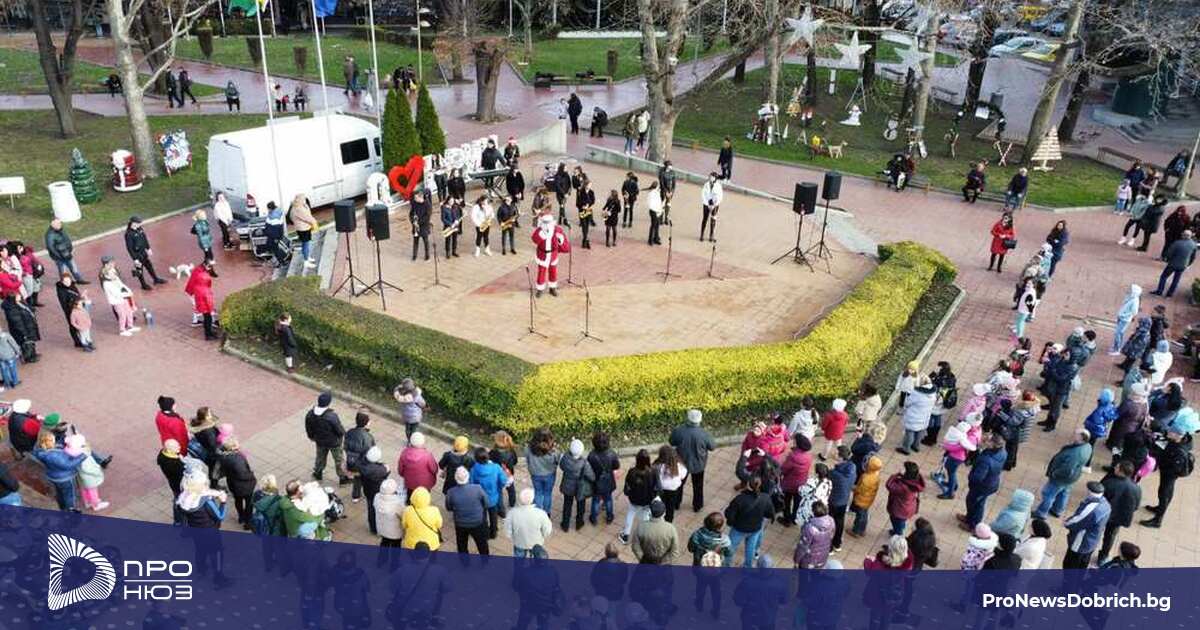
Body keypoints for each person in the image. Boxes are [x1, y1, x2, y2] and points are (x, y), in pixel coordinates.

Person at [1033, 428, 1092, 520]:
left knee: (1048, 494)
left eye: (1076, 434)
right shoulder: (1088, 446)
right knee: (1064, 493)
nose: (1073, 434)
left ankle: (1041, 513)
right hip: (1072, 477)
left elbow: (1067, 469)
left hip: (1060, 479)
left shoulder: (1075, 453)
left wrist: (1054, 474)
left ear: (1081, 438)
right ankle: (1057, 510)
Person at [1140, 427, 1193, 528]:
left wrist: (1163, 464)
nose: (1169, 432)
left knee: (1164, 494)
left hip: (1170, 475)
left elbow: (1175, 468)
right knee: (1163, 492)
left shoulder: (1179, 452)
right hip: (1166, 472)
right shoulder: (1175, 441)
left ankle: (1157, 520)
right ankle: (1159, 508)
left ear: (1178, 436)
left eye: (1171, 432)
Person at [862, 536, 914, 630]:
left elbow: (869, 572)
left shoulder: (881, 564)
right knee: (887, 616)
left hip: (878, 594)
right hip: (894, 594)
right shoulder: (907, 563)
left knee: (875, 616)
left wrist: (868, 560)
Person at [723, 476, 774, 567]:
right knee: (751, 548)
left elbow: (729, 514)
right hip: (755, 528)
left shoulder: (740, 499)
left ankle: (726, 565)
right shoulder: (765, 498)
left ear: (747, 485)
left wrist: (731, 522)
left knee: (730, 548)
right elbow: (769, 513)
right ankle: (747, 566)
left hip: (739, 528)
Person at [1096, 459, 1140, 564]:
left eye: (1117, 467)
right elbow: (1136, 506)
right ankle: (1103, 556)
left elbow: (1098, 498)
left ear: (1121, 471)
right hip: (1120, 517)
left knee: (1096, 532)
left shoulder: (1109, 483)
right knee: (1110, 536)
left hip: (1104, 514)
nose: (1115, 468)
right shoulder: (1136, 488)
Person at [960, 434, 1006, 529]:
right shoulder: (1002, 452)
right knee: (975, 502)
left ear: (993, 444)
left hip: (982, 487)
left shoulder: (986, 460)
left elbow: (977, 477)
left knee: (975, 504)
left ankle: (973, 525)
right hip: (991, 482)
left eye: (989, 440)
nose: (986, 440)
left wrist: (970, 477)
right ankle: (969, 518)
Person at [1063, 481, 1112, 570]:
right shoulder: (1106, 504)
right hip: (1092, 541)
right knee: (1082, 565)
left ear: (1089, 492)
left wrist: (1066, 523)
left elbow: (1077, 521)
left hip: (1081, 541)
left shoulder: (1092, 508)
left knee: (1070, 565)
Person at [33, 432, 86, 511]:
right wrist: (83, 456)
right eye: (53, 438)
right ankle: (71, 509)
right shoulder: (53, 455)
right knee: (69, 494)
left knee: (60, 491)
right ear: (50, 441)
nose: (55, 439)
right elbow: (69, 465)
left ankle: (62, 506)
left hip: (53, 476)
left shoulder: (42, 451)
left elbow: (58, 446)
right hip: (64, 478)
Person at [305, 391, 350, 485]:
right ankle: (343, 478)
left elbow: (308, 428)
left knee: (320, 458)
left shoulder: (310, 414)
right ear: (328, 403)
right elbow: (339, 430)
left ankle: (318, 473)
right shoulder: (331, 416)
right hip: (334, 443)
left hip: (320, 441)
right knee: (339, 460)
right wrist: (342, 435)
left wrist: (311, 437)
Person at [445, 466, 489, 556]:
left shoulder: (451, 492)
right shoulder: (477, 488)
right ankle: (485, 559)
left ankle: (465, 561)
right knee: (481, 543)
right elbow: (486, 503)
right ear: (468, 477)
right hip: (477, 522)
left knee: (462, 544)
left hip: (460, 523)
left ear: (456, 478)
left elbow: (449, 507)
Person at [216, 436, 257, 528]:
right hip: (244, 486)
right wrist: (252, 476)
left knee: (238, 500)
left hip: (232, 483)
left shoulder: (223, 456)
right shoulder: (237, 459)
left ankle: (241, 517)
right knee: (249, 503)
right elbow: (243, 474)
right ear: (233, 447)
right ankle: (248, 522)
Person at [468, 448, 507, 538]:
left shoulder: (473, 470)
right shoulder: (496, 467)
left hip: (480, 499)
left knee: (483, 516)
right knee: (493, 516)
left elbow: (471, 484)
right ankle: (493, 532)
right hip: (493, 497)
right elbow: (503, 481)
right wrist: (499, 487)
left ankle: (485, 532)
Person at [531, 209, 571, 298]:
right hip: (543, 255)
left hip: (553, 254)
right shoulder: (540, 230)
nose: (546, 224)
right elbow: (534, 239)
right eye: (545, 222)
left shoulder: (557, 230)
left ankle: (552, 288)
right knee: (541, 272)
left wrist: (560, 239)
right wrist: (541, 235)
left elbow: (564, 243)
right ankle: (540, 289)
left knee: (553, 272)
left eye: (548, 222)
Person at [619, 449, 655, 545]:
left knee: (630, 514)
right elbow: (655, 486)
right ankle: (644, 537)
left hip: (634, 499)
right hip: (647, 500)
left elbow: (627, 487)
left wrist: (628, 493)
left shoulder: (632, 472)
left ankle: (625, 535)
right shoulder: (652, 472)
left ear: (637, 460)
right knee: (645, 517)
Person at [506, 487, 552, 557]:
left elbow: (507, 532)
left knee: (518, 560)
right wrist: (543, 536)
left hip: (519, 542)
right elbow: (547, 531)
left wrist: (513, 537)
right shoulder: (541, 514)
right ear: (532, 499)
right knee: (535, 559)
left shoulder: (512, 513)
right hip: (536, 543)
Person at [123, 216, 166, 289]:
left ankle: (155, 279)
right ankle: (143, 285)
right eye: (138, 223)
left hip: (143, 252)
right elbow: (129, 248)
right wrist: (135, 259)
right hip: (137, 254)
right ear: (133, 223)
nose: (140, 224)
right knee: (139, 270)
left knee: (149, 266)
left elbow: (144, 239)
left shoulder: (140, 229)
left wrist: (148, 248)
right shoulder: (128, 234)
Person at [827, 446, 857, 551]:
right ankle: (837, 543)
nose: (834, 454)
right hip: (844, 499)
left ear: (840, 457)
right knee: (840, 522)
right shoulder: (852, 467)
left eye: (836, 453)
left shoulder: (835, 474)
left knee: (830, 523)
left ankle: (829, 546)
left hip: (833, 501)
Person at [1152, 228, 1196, 297]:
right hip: (1183, 265)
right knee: (1176, 280)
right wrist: (1188, 264)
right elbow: (1193, 257)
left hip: (1173, 264)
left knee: (1163, 277)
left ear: (1184, 235)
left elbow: (1169, 254)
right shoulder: (1193, 245)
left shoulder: (1177, 243)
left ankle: (1160, 291)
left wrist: (1168, 259)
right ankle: (1170, 293)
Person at [780, 434, 813, 526]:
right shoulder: (808, 456)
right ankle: (795, 518)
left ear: (798, 444)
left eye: (794, 441)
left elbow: (784, 469)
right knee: (797, 502)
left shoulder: (793, 456)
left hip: (790, 483)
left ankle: (787, 520)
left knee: (786, 501)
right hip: (802, 482)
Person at [588, 432, 620, 524]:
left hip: (596, 482)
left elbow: (588, 468)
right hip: (608, 481)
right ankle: (609, 517)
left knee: (595, 500)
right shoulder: (612, 454)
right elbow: (616, 466)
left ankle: (593, 518)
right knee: (608, 499)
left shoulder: (591, 455)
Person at [633, 498, 678, 564]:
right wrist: (662, 563)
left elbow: (635, 547)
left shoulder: (641, 527)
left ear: (650, 513)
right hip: (663, 565)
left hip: (645, 562)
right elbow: (674, 552)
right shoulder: (671, 529)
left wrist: (643, 560)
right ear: (664, 513)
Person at [897, 376, 936, 454]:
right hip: (925, 416)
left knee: (909, 432)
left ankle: (906, 449)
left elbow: (907, 403)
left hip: (914, 416)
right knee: (920, 431)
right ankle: (916, 446)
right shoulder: (933, 393)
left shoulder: (917, 393)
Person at [557, 439, 590, 531]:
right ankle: (579, 523)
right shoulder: (584, 462)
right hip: (580, 488)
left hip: (567, 486)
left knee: (567, 505)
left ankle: (565, 525)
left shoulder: (565, 458)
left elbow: (561, 466)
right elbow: (590, 474)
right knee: (581, 505)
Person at [343, 412, 375, 503]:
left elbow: (345, 446)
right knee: (363, 478)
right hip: (361, 463)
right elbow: (370, 451)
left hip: (350, 461)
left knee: (357, 478)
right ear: (366, 423)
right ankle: (366, 493)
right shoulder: (368, 436)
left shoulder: (349, 432)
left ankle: (355, 496)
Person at [885, 461, 923, 535]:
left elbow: (889, 485)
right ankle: (899, 529)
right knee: (902, 521)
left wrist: (895, 475)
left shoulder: (903, 487)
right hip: (909, 508)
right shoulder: (915, 482)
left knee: (896, 522)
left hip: (899, 510)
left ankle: (898, 535)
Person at [100, 262, 138, 337]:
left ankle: (130, 326)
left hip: (124, 299)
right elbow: (116, 294)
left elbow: (122, 286)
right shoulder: (106, 284)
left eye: (114, 273)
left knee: (129, 312)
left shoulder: (116, 279)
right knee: (122, 315)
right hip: (117, 301)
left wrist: (129, 291)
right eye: (112, 273)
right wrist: (127, 294)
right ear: (107, 275)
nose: (115, 274)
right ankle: (122, 330)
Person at [794, 501, 835, 569]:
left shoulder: (809, 528)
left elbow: (803, 547)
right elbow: (831, 536)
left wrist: (796, 560)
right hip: (823, 557)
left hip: (809, 560)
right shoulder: (831, 520)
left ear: (813, 512)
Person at [849, 455, 882, 537]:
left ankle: (856, 531)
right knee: (864, 515)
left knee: (860, 516)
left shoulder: (866, 477)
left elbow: (860, 489)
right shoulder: (876, 476)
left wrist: (853, 487)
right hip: (868, 499)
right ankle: (862, 530)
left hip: (861, 499)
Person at [184, 260, 218, 341]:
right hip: (202, 299)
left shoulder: (199, 274)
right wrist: (211, 307)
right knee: (208, 318)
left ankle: (209, 332)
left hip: (198, 297)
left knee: (206, 317)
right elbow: (207, 297)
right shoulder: (203, 278)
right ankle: (208, 334)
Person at [653, 445, 687, 523]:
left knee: (660, 504)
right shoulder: (679, 466)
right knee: (670, 507)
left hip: (660, 489)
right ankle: (669, 522)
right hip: (673, 490)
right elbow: (683, 476)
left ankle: (660, 519)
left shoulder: (657, 465)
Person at [1109, 284, 1142, 356]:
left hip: (1125, 319)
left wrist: (1125, 315)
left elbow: (1134, 312)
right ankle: (1116, 346)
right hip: (1121, 317)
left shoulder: (1134, 301)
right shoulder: (1130, 297)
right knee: (1119, 333)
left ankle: (1117, 349)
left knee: (1118, 333)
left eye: (1131, 290)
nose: (1129, 290)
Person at [374, 478, 405, 553]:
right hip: (395, 532)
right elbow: (403, 515)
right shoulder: (397, 503)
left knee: (384, 544)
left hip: (382, 529)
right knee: (396, 547)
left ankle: (382, 559)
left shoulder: (377, 497)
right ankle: (394, 560)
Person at [699, 173, 722, 243]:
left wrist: (714, 204)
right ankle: (702, 234)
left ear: (715, 178)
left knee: (713, 219)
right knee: (705, 218)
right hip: (706, 204)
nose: (710, 178)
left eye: (712, 177)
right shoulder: (706, 185)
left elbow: (720, 196)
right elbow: (703, 194)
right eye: (710, 177)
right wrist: (707, 203)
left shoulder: (718, 186)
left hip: (715, 205)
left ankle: (711, 235)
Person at [576, 178, 596, 249]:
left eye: (591, 185)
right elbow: (577, 203)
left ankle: (584, 241)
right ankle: (586, 240)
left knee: (587, 226)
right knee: (584, 226)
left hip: (588, 211)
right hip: (582, 211)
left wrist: (588, 205)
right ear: (586, 185)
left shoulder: (591, 192)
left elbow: (593, 201)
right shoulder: (580, 192)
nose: (590, 186)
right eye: (589, 185)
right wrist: (582, 206)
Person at [657, 161, 677, 225]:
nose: (671, 166)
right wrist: (665, 191)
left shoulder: (673, 173)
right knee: (662, 204)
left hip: (670, 191)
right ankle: (660, 218)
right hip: (663, 191)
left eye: (671, 165)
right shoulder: (662, 173)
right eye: (669, 165)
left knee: (668, 205)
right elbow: (662, 183)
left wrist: (672, 192)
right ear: (666, 166)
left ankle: (666, 218)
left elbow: (674, 183)